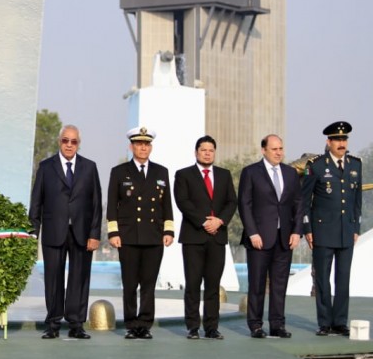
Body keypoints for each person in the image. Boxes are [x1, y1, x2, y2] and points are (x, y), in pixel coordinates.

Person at [29, 125, 102, 340]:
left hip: (81, 233)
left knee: (79, 278)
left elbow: (96, 203)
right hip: (53, 231)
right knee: (53, 278)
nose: (69, 145)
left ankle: (76, 324)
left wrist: (95, 234)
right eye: (65, 141)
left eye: (74, 141)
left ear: (79, 143)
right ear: (59, 141)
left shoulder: (90, 167)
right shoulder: (45, 167)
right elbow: (36, 202)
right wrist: (33, 232)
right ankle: (52, 323)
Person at [106, 126, 174, 340]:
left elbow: (166, 204)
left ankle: (144, 325)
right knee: (130, 283)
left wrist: (168, 230)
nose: (143, 148)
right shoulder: (119, 172)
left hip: (153, 236)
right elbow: (112, 206)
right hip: (128, 236)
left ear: (150, 147)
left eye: (146, 144)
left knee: (148, 284)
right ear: (131, 146)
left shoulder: (161, 171)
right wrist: (113, 233)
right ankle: (130, 324)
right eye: (138, 144)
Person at [301, 121, 362, 337]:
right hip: (322, 232)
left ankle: (340, 322)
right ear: (329, 142)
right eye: (337, 139)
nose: (341, 143)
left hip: (346, 232)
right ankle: (324, 322)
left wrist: (356, 226)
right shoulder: (316, 165)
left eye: (344, 139)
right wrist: (307, 229)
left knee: (343, 279)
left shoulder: (355, 165)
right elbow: (304, 200)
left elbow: (356, 200)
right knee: (323, 279)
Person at [173, 135, 237, 340]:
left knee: (212, 285)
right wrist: (204, 222)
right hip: (194, 237)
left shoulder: (224, 175)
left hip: (217, 237)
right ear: (196, 152)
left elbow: (231, 202)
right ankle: (192, 326)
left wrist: (219, 221)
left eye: (211, 150)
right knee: (192, 284)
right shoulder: (183, 175)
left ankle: (212, 327)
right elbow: (183, 202)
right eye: (203, 150)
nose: (207, 153)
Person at [238, 134, 302, 339]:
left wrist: (296, 231)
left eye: (281, 148)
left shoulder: (291, 173)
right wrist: (252, 232)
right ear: (264, 150)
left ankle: (277, 325)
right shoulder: (251, 172)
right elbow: (244, 205)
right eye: (274, 149)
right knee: (256, 284)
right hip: (259, 238)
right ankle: (255, 325)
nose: (279, 152)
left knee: (279, 284)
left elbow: (298, 205)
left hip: (284, 238)